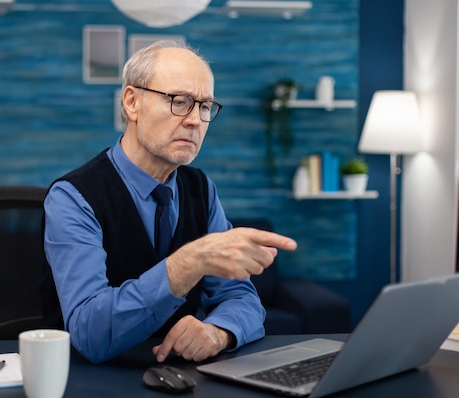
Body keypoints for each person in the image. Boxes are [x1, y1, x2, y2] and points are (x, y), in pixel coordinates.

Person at [43, 40, 297, 364]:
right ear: (132, 102)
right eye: (180, 101)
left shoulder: (202, 190)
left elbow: (240, 298)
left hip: (183, 385)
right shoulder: (73, 197)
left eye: (204, 106)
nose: (195, 120)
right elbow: (89, 334)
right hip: (89, 390)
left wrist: (219, 331)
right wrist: (189, 262)